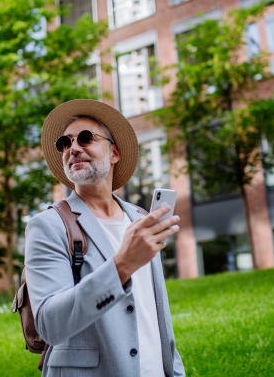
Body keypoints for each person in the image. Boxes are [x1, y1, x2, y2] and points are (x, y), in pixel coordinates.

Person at [25, 99, 186, 376]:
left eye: (86, 138)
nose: (73, 148)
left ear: (114, 153)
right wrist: (121, 266)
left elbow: (155, 315)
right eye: (65, 143)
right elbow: (50, 324)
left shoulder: (139, 219)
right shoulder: (47, 226)